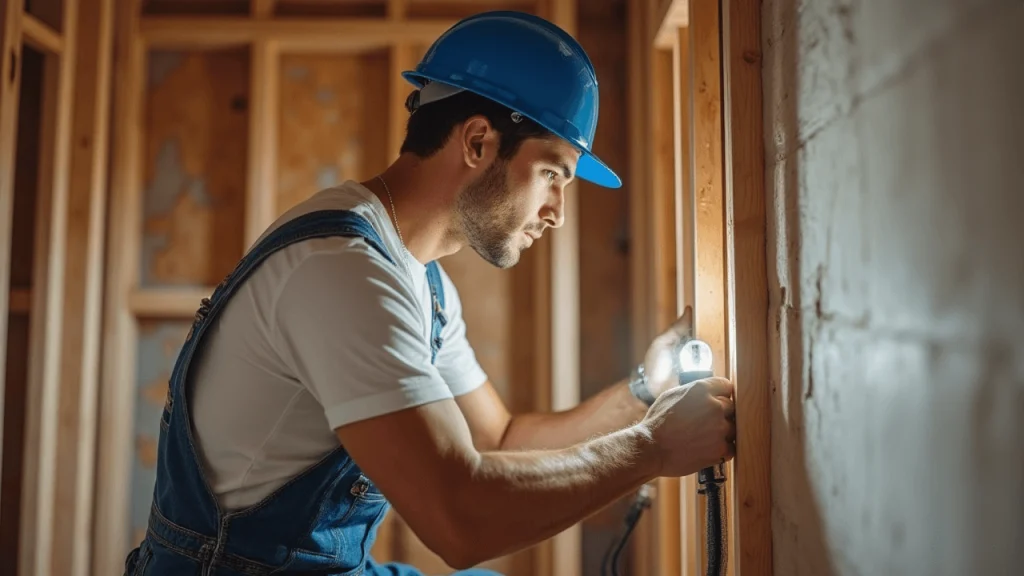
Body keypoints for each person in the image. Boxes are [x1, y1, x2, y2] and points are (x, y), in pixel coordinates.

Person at [123, 10, 736, 576]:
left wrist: (642, 392)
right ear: (477, 141)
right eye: (552, 173)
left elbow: (497, 442)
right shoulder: (344, 273)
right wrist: (653, 448)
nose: (558, 213)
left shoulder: (419, 279)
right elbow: (460, 517)